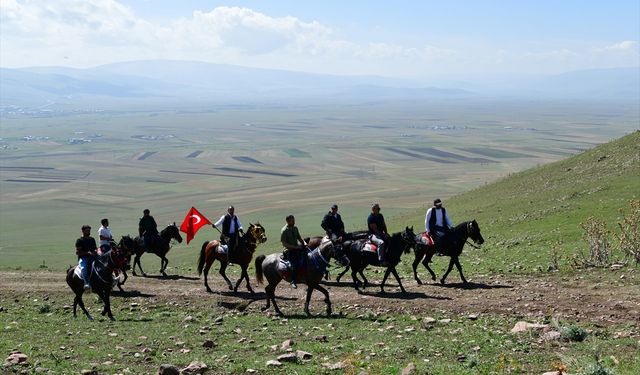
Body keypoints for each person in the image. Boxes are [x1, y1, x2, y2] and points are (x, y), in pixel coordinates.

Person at [281, 214, 308, 289]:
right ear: (288, 221)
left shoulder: (295, 228)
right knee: (295, 264)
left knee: (308, 258)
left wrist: (304, 243)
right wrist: (295, 247)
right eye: (292, 220)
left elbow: (299, 237)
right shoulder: (284, 231)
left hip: (297, 248)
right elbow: (284, 244)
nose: (294, 221)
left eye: (294, 220)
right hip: (289, 250)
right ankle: (293, 280)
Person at [75, 224, 98, 292]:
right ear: (83, 231)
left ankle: (111, 279)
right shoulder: (79, 240)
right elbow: (78, 252)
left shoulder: (92, 239)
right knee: (84, 268)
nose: (88, 232)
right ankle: (86, 283)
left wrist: (96, 251)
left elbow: (95, 248)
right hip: (84, 258)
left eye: (89, 230)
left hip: (93, 257)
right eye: (87, 230)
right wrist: (87, 253)